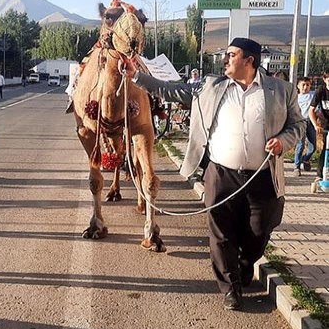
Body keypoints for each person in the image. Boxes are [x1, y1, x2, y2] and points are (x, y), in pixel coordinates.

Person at [123, 37, 304, 310]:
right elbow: (173, 90)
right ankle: (230, 288)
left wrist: (284, 142)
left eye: (231, 55)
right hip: (221, 175)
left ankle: (243, 269)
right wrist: (137, 76)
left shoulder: (282, 90)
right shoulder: (211, 87)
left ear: (249, 60)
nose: (225, 59)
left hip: (262, 177)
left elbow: (298, 124)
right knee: (221, 233)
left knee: (259, 231)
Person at [293, 77, 316, 176]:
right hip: (300, 122)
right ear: (298, 86)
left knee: (313, 146)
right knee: (300, 145)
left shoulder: (313, 95)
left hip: (311, 122)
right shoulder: (295, 97)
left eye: (308, 85)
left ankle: (305, 159)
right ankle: (296, 167)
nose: (305, 87)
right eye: (303, 85)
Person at [310, 71, 329, 180]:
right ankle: (319, 174)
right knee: (326, 148)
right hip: (325, 124)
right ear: (325, 79)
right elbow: (311, 110)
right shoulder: (320, 91)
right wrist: (316, 126)